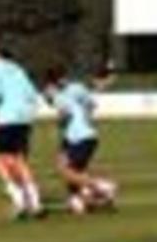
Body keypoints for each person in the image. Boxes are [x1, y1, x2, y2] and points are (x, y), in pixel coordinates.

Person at [0, 43, 44, 220]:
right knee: (19, 160)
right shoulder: (17, 68)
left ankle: (19, 199)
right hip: (24, 119)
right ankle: (35, 201)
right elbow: (32, 94)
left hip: (6, 118)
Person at [44, 66, 117, 214]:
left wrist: (58, 123)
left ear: (52, 82)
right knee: (69, 166)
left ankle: (102, 186)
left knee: (66, 171)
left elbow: (65, 114)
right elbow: (91, 105)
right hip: (81, 136)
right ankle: (78, 200)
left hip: (80, 137)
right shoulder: (77, 87)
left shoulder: (59, 95)